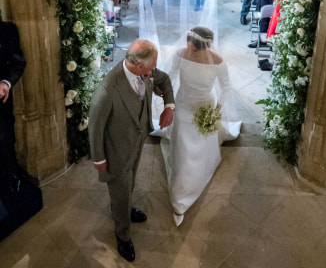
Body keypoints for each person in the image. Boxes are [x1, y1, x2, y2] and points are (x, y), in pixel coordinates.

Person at [89, 40, 175, 262]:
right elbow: (95, 128)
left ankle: (124, 209)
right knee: (120, 187)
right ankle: (122, 234)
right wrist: (99, 159)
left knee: (129, 182)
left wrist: (169, 106)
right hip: (116, 150)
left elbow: (164, 81)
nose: (153, 70)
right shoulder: (107, 91)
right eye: (150, 66)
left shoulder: (146, 71)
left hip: (137, 141)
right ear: (137, 66)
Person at [160, 27, 240, 226]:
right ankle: (180, 197)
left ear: (206, 46)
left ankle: (187, 189)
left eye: (194, 50)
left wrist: (217, 109)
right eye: (188, 48)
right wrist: (167, 100)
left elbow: (226, 87)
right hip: (183, 104)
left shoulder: (218, 62)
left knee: (201, 143)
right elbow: (171, 76)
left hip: (205, 106)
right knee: (183, 149)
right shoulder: (180, 54)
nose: (189, 52)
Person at [0, 18, 26, 194]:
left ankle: (11, 177)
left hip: (0, 98)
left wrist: (6, 82)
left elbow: (18, 63)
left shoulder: (7, 30)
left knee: (5, 138)